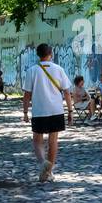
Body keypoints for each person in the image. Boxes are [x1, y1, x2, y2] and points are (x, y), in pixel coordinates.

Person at [22, 43, 74, 182]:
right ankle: (48, 172)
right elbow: (67, 92)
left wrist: (25, 112)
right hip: (56, 110)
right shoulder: (58, 69)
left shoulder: (32, 71)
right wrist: (70, 110)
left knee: (37, 140)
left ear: (37, 54)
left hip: (39, 110)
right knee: (53, 141)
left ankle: (42, 163)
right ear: (51, 53)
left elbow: (27, 94)